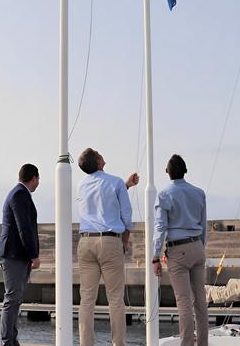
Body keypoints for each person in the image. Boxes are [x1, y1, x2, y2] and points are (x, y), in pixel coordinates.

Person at [76, 148, 138, 346]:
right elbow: (126, 217)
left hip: (85, 242)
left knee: (86, 300)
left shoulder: (81, 185)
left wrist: (126, 185)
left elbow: (101, 198)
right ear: (100, 161)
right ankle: (118, 344)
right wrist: (124, 241)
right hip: (110, 241)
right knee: (115, 300)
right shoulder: (116, 182)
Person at [152, 154, 208, 346]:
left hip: (178, 250)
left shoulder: (164, 194)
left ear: (167, 173)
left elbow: (160, 228)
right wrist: (200, 247)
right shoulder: (199, 193)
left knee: (184, 302)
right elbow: (203, 225)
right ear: (185, 171)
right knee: (200, 301)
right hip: (197, 247)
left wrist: (155, 257)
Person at [0, 164, 41, 346]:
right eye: (38, 180)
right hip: (13, 254)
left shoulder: (18, 193)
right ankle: (7, 342)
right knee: (12, 298)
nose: (38, 184)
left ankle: (11, 340)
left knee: (15, 299)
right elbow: (25, 228)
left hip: (15, 254)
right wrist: (34, 254)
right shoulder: (20, 194)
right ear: (34, 178)